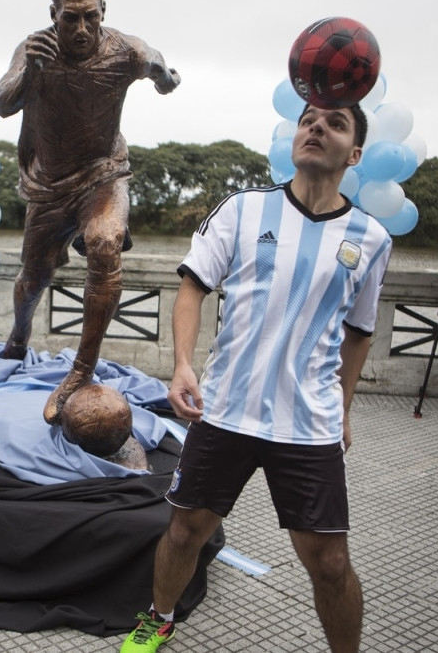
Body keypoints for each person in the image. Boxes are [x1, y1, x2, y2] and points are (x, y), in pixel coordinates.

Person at [120, 103, 392, 653]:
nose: (316, 127)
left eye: (335, 123)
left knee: (331, 561)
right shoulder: (242, 211)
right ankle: (160, 617)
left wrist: (343, 407)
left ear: (355, 153)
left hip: (308, 421)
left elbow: (360, 333)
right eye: (309, 118)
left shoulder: (371, 237)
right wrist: (182, 364)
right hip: (225, 410)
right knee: (184, 531)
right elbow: (193, 287)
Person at [0, 0, 181, 423]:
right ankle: (18, 339)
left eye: (90, 17)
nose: (80, 29)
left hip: (103, 175)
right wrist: (31, 69)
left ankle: (82, 369)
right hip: (49, 185)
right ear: (53, 14)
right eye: (69, 18)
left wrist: (165, 78)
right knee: (33, 277)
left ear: (103, 12)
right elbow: (2, 102)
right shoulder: (33, 47)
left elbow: (161, 67)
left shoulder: (127, 51)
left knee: (103, 243)